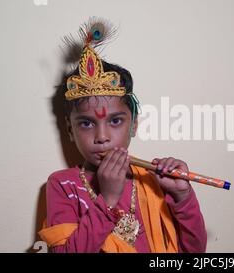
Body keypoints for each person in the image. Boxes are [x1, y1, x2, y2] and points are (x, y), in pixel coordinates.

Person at [38, 18, 207, 253]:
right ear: (69, 130)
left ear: (134, 124)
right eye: (87, 123)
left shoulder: (153, 180)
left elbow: (195, 253)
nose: (102, 137)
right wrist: (107, 200)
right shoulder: (62, 184)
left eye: (115, 121)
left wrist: (182, 196)